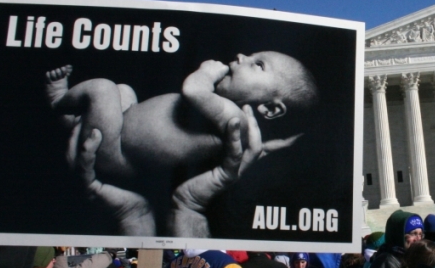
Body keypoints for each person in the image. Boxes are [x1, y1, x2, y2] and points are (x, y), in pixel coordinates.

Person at [45, 52, 317, 182]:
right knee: (123, 91)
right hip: (120, 126)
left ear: (270, 109)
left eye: (258, 64)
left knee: (102, 89)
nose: (241, 56)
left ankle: (59, 101)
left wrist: (207, 72)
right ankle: (76, 123)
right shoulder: (225, 109)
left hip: (118, 153)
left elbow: (193, 90)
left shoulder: (236, 119)